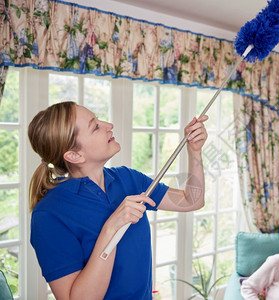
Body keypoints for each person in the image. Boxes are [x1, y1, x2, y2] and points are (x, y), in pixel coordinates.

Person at [28, 101, 208, 299]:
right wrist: (111, 227)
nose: (108, 125)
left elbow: (192, 200)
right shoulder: (49, 215)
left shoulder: (128, 179)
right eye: (95, 126)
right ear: (74, 155)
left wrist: (195, 151)